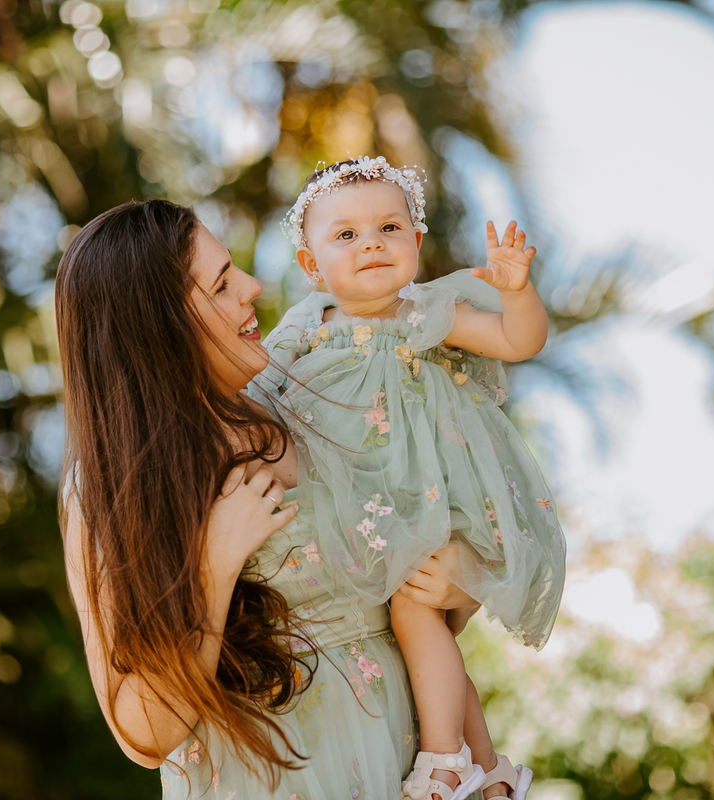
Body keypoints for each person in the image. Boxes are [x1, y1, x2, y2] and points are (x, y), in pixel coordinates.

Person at [55, 198, 493, 799]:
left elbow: (420, 585)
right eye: (221, 285)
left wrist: (458, 581)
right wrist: (214, 565)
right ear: (160, 328)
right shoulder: (110, 488)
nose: (253, 287)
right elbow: (142, 736)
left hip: (406, 763)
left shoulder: (307, 401)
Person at [249, 157, 565, 800]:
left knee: (416, 609)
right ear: (311, 265)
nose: (371, 243)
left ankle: (445, 762)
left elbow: (518, 340)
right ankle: (487, 769)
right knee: (414, 634)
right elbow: (256, 398)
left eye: (389, 228)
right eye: (346, 235)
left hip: (430, 500)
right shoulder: (304, 326)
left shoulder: (425, 312)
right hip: (360, 505)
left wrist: (516, 293)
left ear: (416, 243)